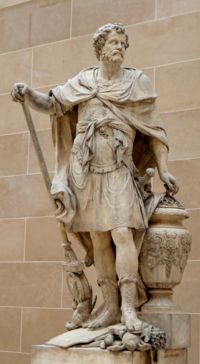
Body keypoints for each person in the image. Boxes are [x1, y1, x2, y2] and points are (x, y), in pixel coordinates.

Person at [11, 23, 178, 332]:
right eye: (114, 42)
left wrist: (164, 168)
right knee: (99, 238)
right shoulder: (84, 81)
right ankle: (111, 307)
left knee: (122, 233)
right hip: (84, 171)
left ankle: (129, 308)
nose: (120, 48)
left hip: (118, 168)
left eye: (123, 44)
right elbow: (53, 104)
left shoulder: (136, 82)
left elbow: (155, 130)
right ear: (100, 47)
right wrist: (29, 94)